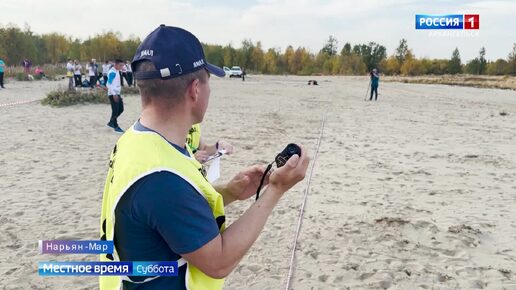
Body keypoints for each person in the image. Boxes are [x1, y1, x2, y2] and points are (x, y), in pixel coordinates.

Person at [99, 25, 309, 290]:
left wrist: (229, 192)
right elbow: (218, 261)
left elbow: (167, 214)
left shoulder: (142, 140)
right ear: (195, 90)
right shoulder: (160, 178)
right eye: (209, 81)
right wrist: (276, 190)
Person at [106, 59, 125, 133]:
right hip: (113, 94)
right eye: (120, 65)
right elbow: (108, 84)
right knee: (115, 110)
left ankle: (111, 122)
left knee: (121, 109)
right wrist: (114, 94)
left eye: (122, 65)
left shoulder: (117, 71)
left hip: (117, 93)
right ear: (116, 65)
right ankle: (116, 126)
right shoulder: (112, 72)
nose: (122, 67)